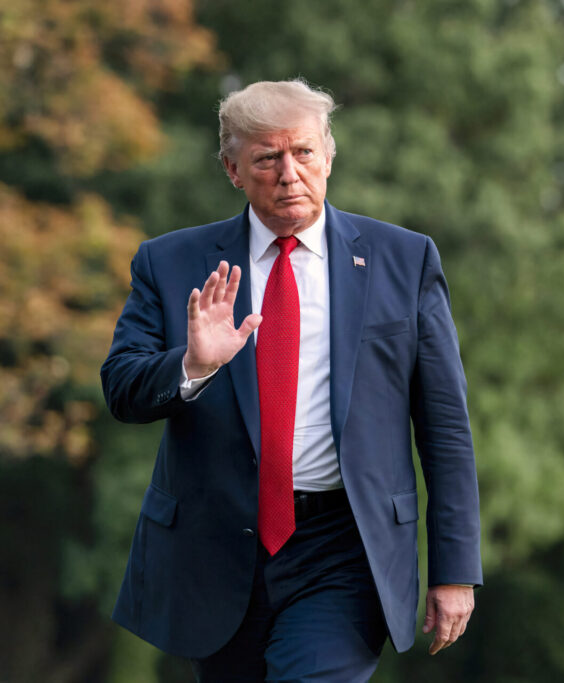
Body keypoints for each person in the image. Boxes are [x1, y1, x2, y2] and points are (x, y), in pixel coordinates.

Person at [101, 79, 482, 682]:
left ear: (328, 155)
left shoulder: (403, 260)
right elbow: (121, 389)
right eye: (266, 158)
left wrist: (454, 568)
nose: (289, 173)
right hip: (217, 547)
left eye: (303, 152)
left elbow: (445, 426)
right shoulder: (170, 262)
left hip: (344, 548)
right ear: (232, 169)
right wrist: (193, 366)